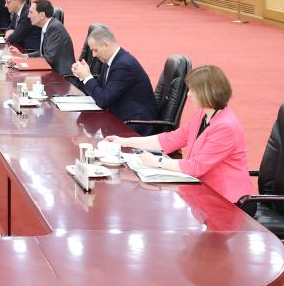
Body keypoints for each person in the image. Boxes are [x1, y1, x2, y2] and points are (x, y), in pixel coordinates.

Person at [107, 66, 254, 204]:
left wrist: (157, 162)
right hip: (203, 191)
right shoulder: (202, 114)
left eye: (193, 90)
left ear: (208, 92)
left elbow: (197, 166)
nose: (189, 94)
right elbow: (171, 139)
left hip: (228, 201)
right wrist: (125, 141)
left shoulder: (225, 127)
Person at [70, 26, 158, 135]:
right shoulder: (112, 61)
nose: (94, 55)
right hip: (119, 119)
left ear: (106, 45)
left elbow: (103, 100)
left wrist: (87, 77)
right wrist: (83, 76)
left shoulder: (124, 65)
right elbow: (100, 90)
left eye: (95, 50)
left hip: (135, 126)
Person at [22, 0, 74, 76]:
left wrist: (26, 63)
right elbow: (43, 52)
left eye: (31, 12)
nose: (28, 16)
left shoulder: (55, 28)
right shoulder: (49, 26)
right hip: (51, 71)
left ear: (42, 15)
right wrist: (24, 57)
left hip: (61, 77)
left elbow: (49, 58)